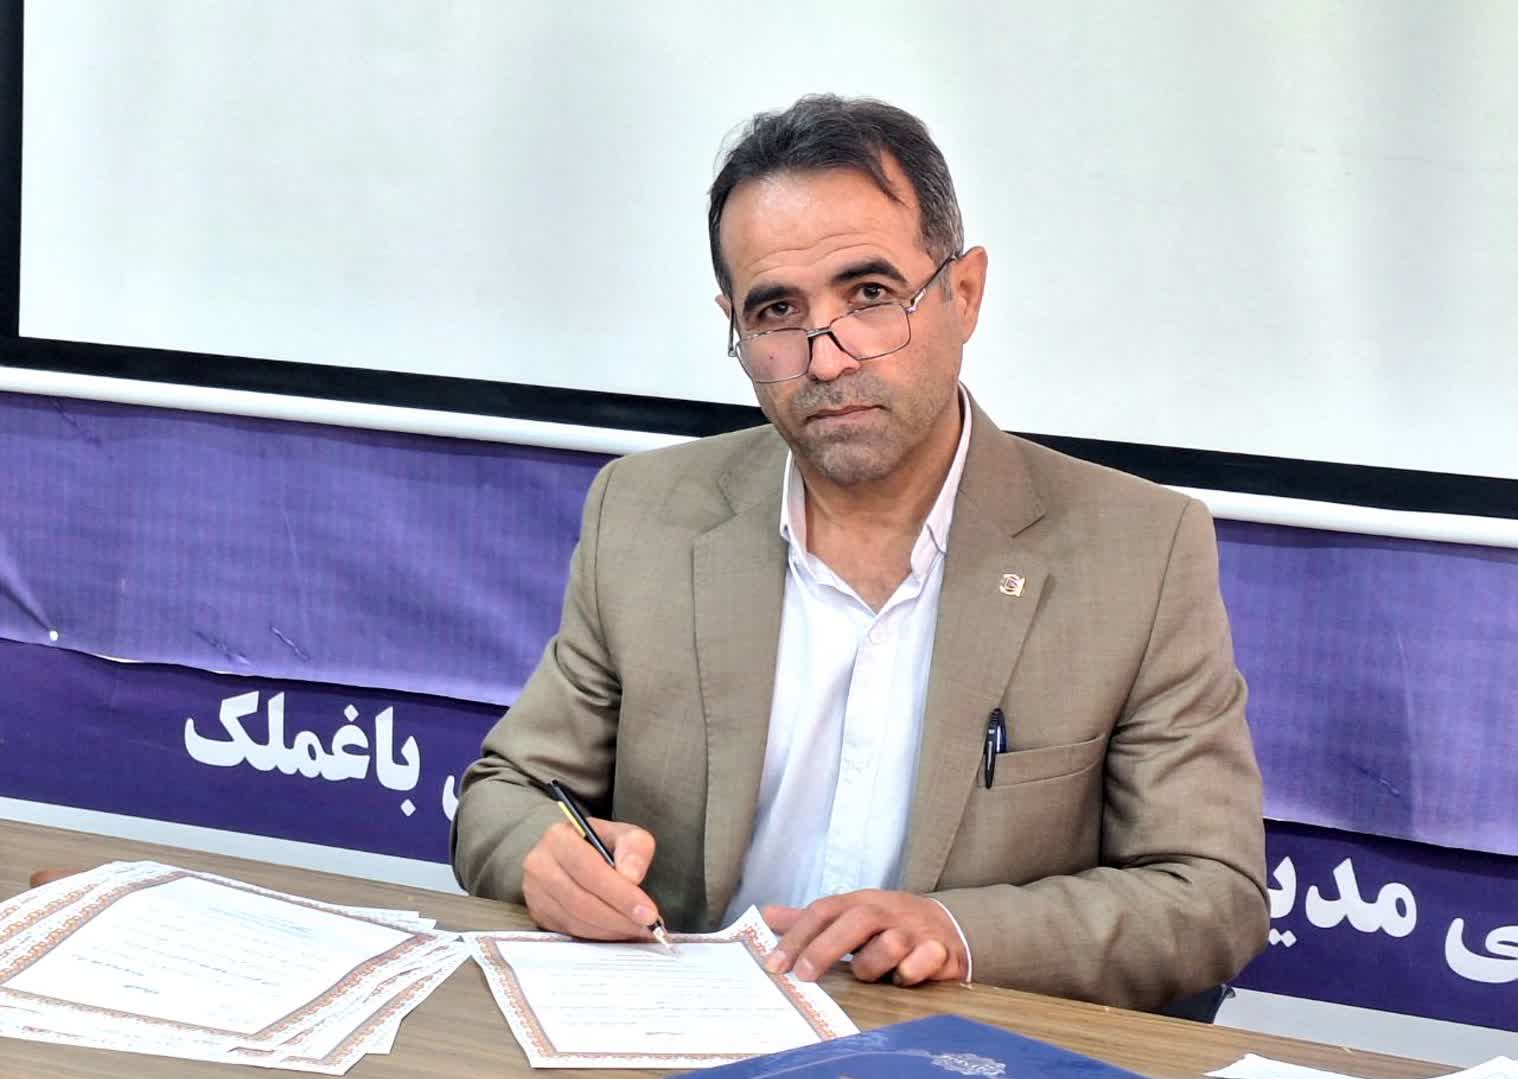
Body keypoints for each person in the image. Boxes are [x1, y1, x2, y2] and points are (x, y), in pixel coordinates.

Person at [452, 94, 1268, 1009]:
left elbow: (1211, 896)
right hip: (672, 1036)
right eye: (777, 311)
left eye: (871, 296)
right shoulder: (646, 514)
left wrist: (958, 932)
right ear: (736, 329)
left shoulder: (1138, 550)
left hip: (957, 1063)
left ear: (963, 295)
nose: (827, 357)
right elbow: (504, 792)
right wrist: (542, 857)